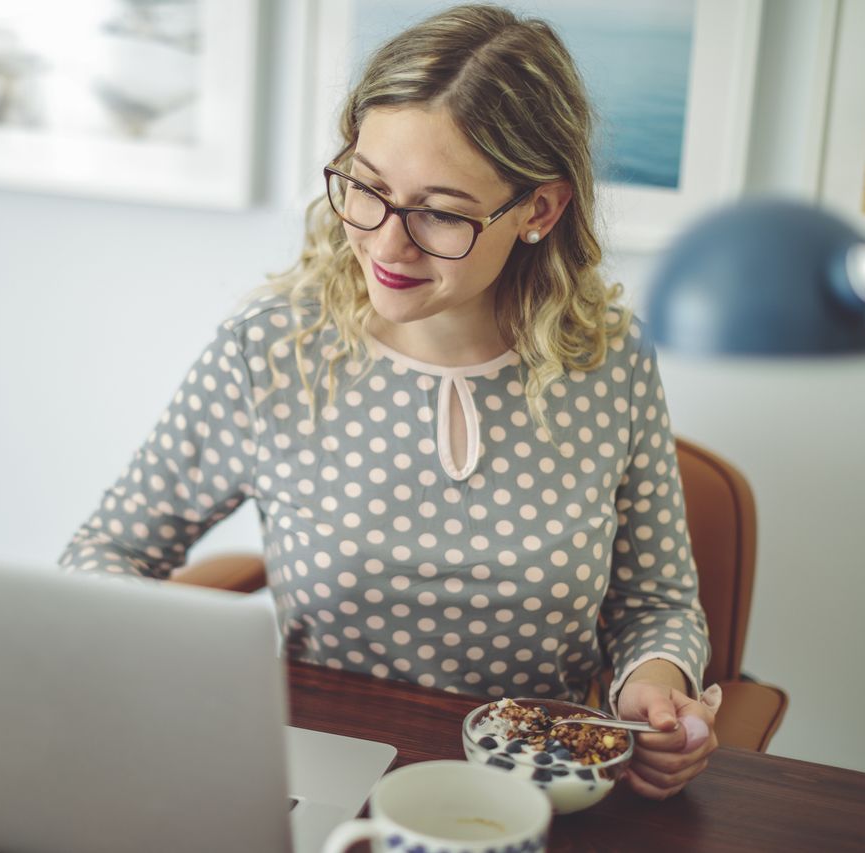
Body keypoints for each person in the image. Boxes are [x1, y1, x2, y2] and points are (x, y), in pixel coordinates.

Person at [60, 4, 718, 799]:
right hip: (316, 778)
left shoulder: (610, 363)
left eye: (439, 212)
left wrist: (652, 682)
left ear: (539, 210)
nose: (385, 243)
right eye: (367, 189)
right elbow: (103, 557)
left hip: (530, 789)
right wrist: (176, 670)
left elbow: (657, 602)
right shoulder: (273, 353)